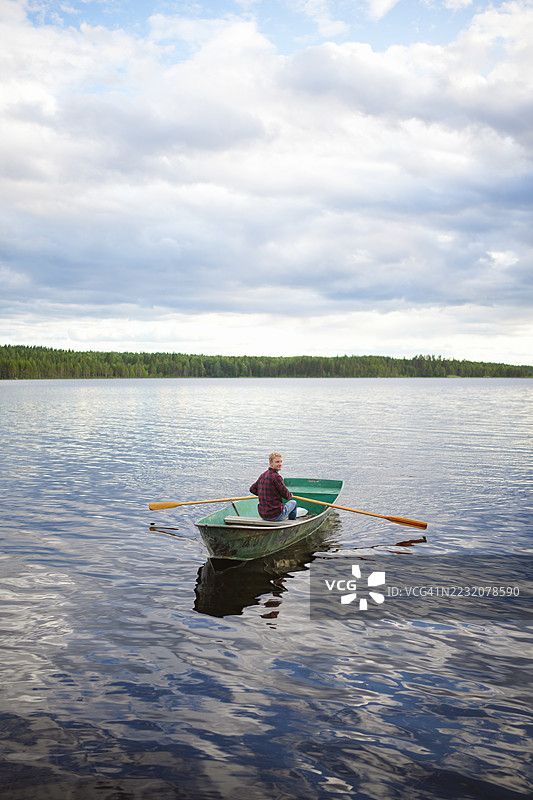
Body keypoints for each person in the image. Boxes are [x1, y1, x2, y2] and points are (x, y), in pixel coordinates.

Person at [250, 452, 298, 521]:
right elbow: (287, 496)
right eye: (277, 462)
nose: (280, 464)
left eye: (281, 461)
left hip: (263, 515)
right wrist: (290, 495)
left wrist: (264, 494)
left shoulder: (263, 475)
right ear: (271, 463)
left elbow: (252, 489)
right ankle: (293, 523)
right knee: (293, 503)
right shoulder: (276, 477)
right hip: (276, 515)